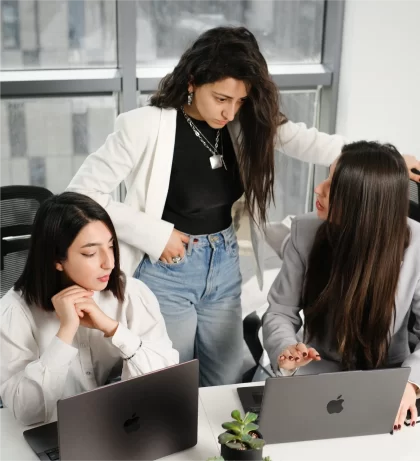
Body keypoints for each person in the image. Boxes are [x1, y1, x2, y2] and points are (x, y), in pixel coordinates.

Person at [66, 26, 420, 387]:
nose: (230, 111)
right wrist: (158, 235)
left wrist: (386, 159)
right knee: (171, 377)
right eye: (221, 98)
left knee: (229, 379)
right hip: (167, 266)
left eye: (240, 101)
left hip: (222, 264)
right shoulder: (143, 127)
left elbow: (306, 141)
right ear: (192, 81)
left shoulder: (242, 123)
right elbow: (81, 193)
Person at [263, 141, 420, 430]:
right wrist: (286, 350)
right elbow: (280, 311)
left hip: (389, 380)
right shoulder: (304, 231)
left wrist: (411, 383)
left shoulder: (417, 243)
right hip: (316, 375)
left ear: (365, 201)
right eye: (327, 177)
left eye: (333, 185)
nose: (318, 189)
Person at [0, 192, 178, 426]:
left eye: (111, 246)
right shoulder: (14, 312)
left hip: (117, 423)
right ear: (57, 259)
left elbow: (167, 379)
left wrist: (114, 330)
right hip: (53, 428)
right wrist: (65, 333)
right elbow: (27, 413)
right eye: (90, 253)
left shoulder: (132, 293)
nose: (109, 263)